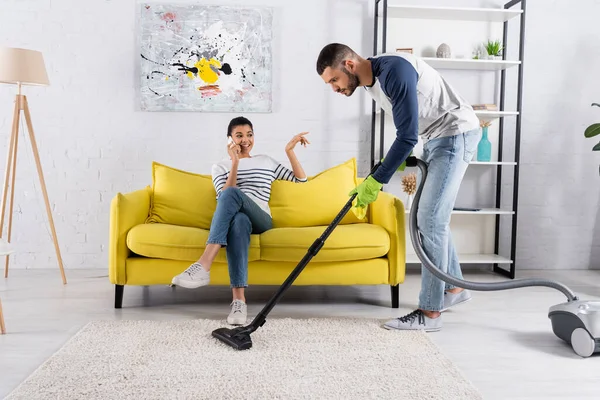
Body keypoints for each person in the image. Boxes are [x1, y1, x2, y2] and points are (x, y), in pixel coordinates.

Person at [316, 43, 481, 332]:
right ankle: (455, 289)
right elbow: (408, 131)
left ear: (350, 65)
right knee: (432, 220)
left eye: (334, 80)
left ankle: (430, 313)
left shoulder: (395, 72)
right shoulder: (372, 81)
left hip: (455, 134)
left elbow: (405, 138)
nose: (334, 88)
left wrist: (376, 180)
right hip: (436, 138)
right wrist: (377, 174)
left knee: (430, 220)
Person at [171, 116, 310, 325]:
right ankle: (239, 302)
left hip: (262, 219)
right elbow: (224, 196)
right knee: (238, 221)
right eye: (239, 136)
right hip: (240, 220)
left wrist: (289, 151)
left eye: (249, 134)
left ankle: (204, 264)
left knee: (231, 194)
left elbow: (301, 179)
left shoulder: (265, 161)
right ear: (229, 139)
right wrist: (235, 163)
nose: (245, 140)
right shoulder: (220, 166)